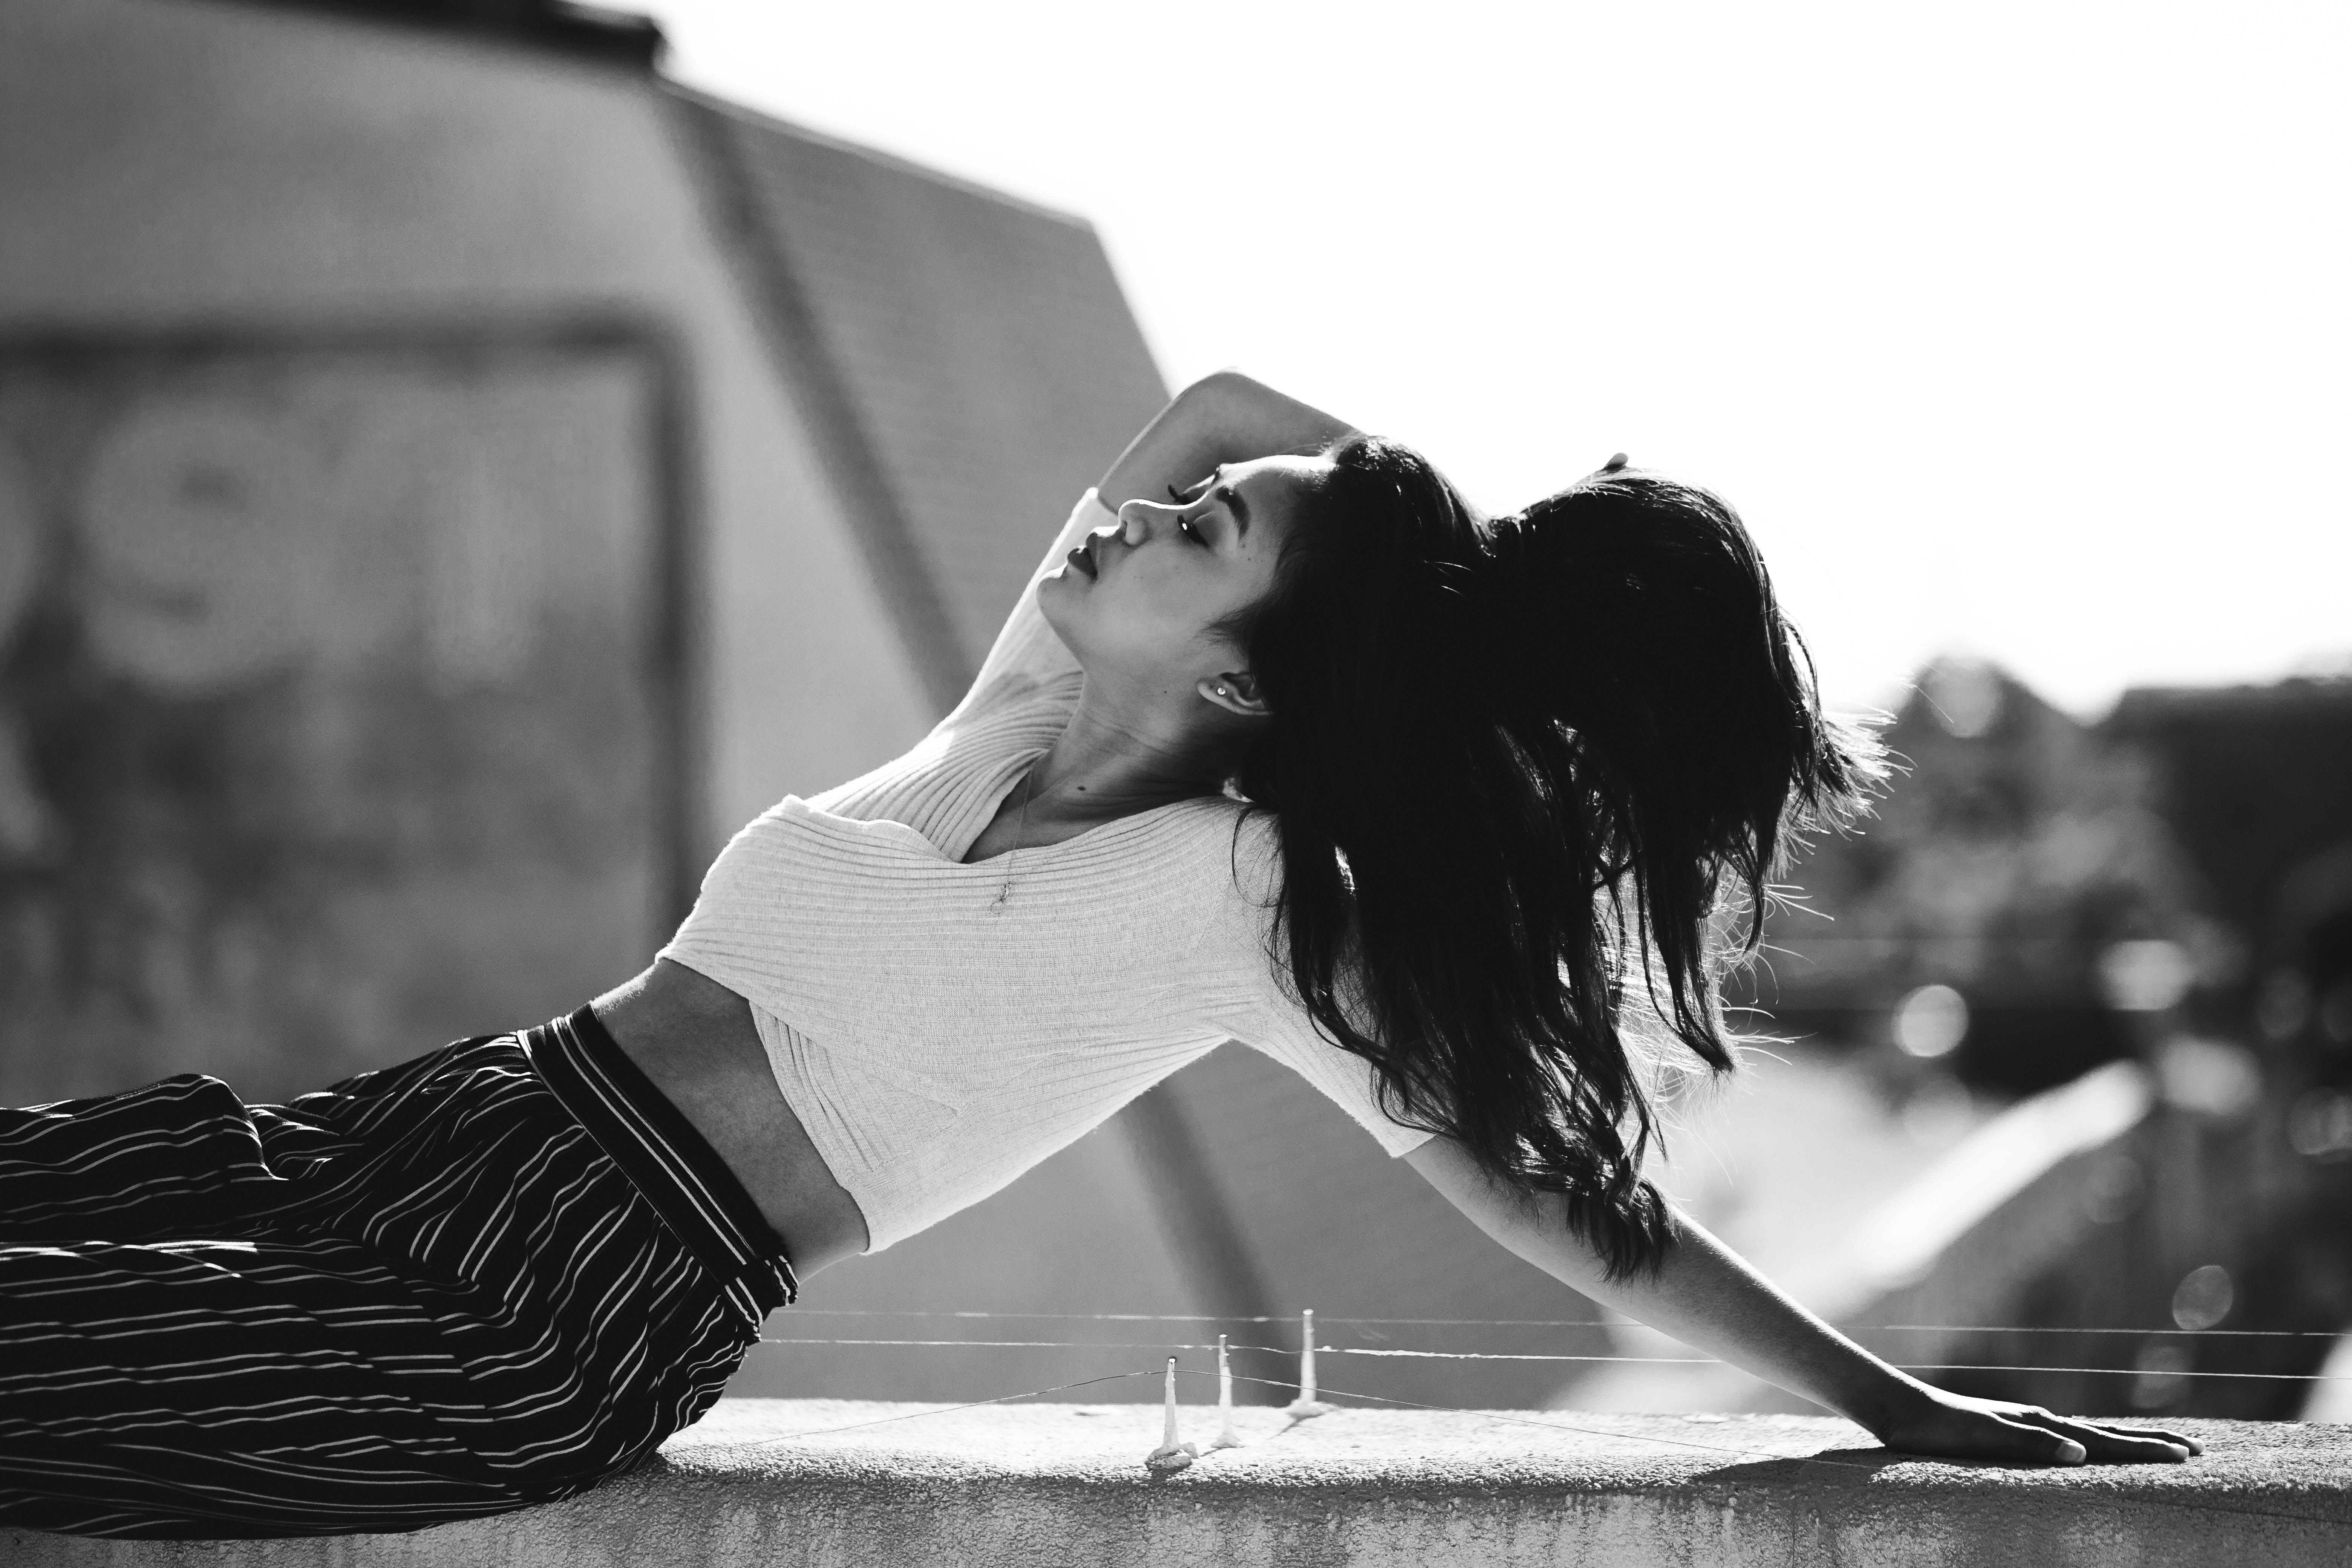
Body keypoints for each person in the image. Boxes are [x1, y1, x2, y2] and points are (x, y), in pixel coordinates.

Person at [0, 373, 2197, 1538]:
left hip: (550, 1303)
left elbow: (1568, 1209)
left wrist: (1896, 1406)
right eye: (1192, 494)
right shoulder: (1022, 712)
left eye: (1210, 526)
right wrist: (1440, 566)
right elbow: (1216, 385)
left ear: (1250, 682)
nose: (1144, 506)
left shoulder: (1243, 907)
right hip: (414, 1134)